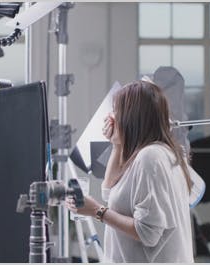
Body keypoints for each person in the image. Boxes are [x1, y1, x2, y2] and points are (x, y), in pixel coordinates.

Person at [66, 80, 194, 262]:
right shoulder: (159, 153)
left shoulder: (150, 158)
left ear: (131, 117)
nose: (111, 117)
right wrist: (117, 145)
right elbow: (108, 192)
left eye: (115, 111)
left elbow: (148, 232)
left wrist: (96, 210)